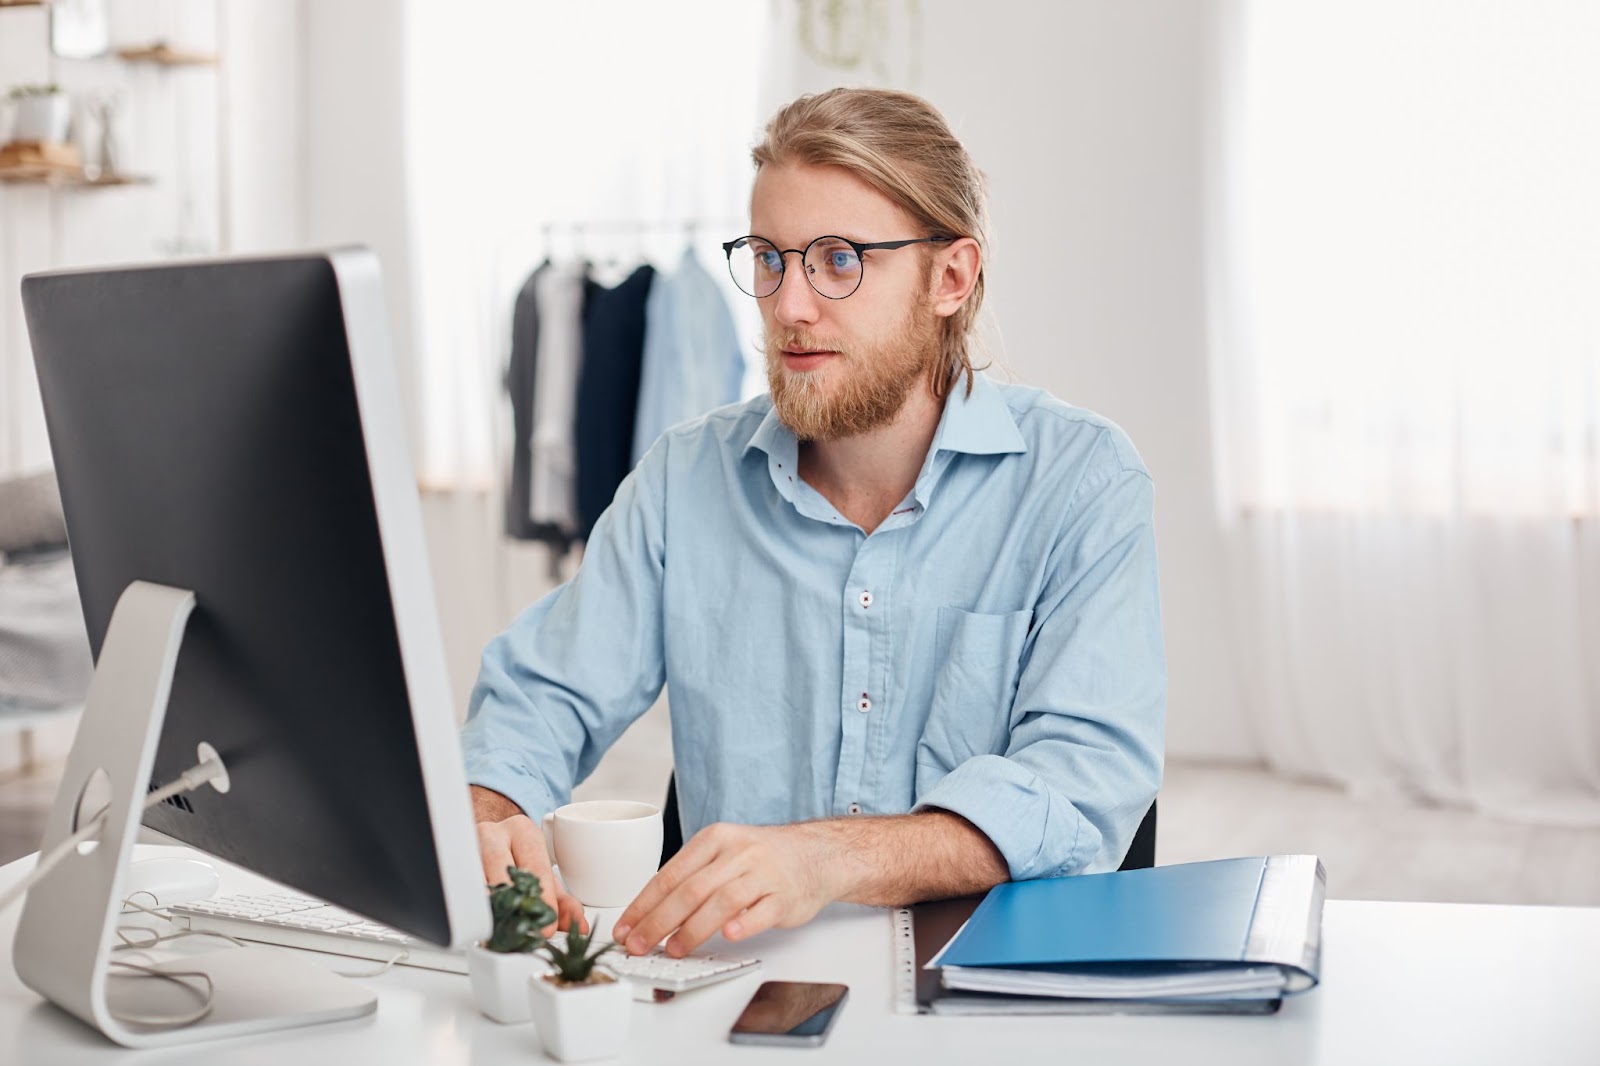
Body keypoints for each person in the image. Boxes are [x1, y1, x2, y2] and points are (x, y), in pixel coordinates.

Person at [463, 87, 1165, 960]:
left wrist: (825, 858)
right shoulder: (687, 479)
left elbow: (1082, 787)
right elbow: (543, 695)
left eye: (838, 260)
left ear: (951, 278)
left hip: (990, 994)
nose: (789, 305)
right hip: (742, 994)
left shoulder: (1082, 484)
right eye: (769, 259)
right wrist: (492, 808)